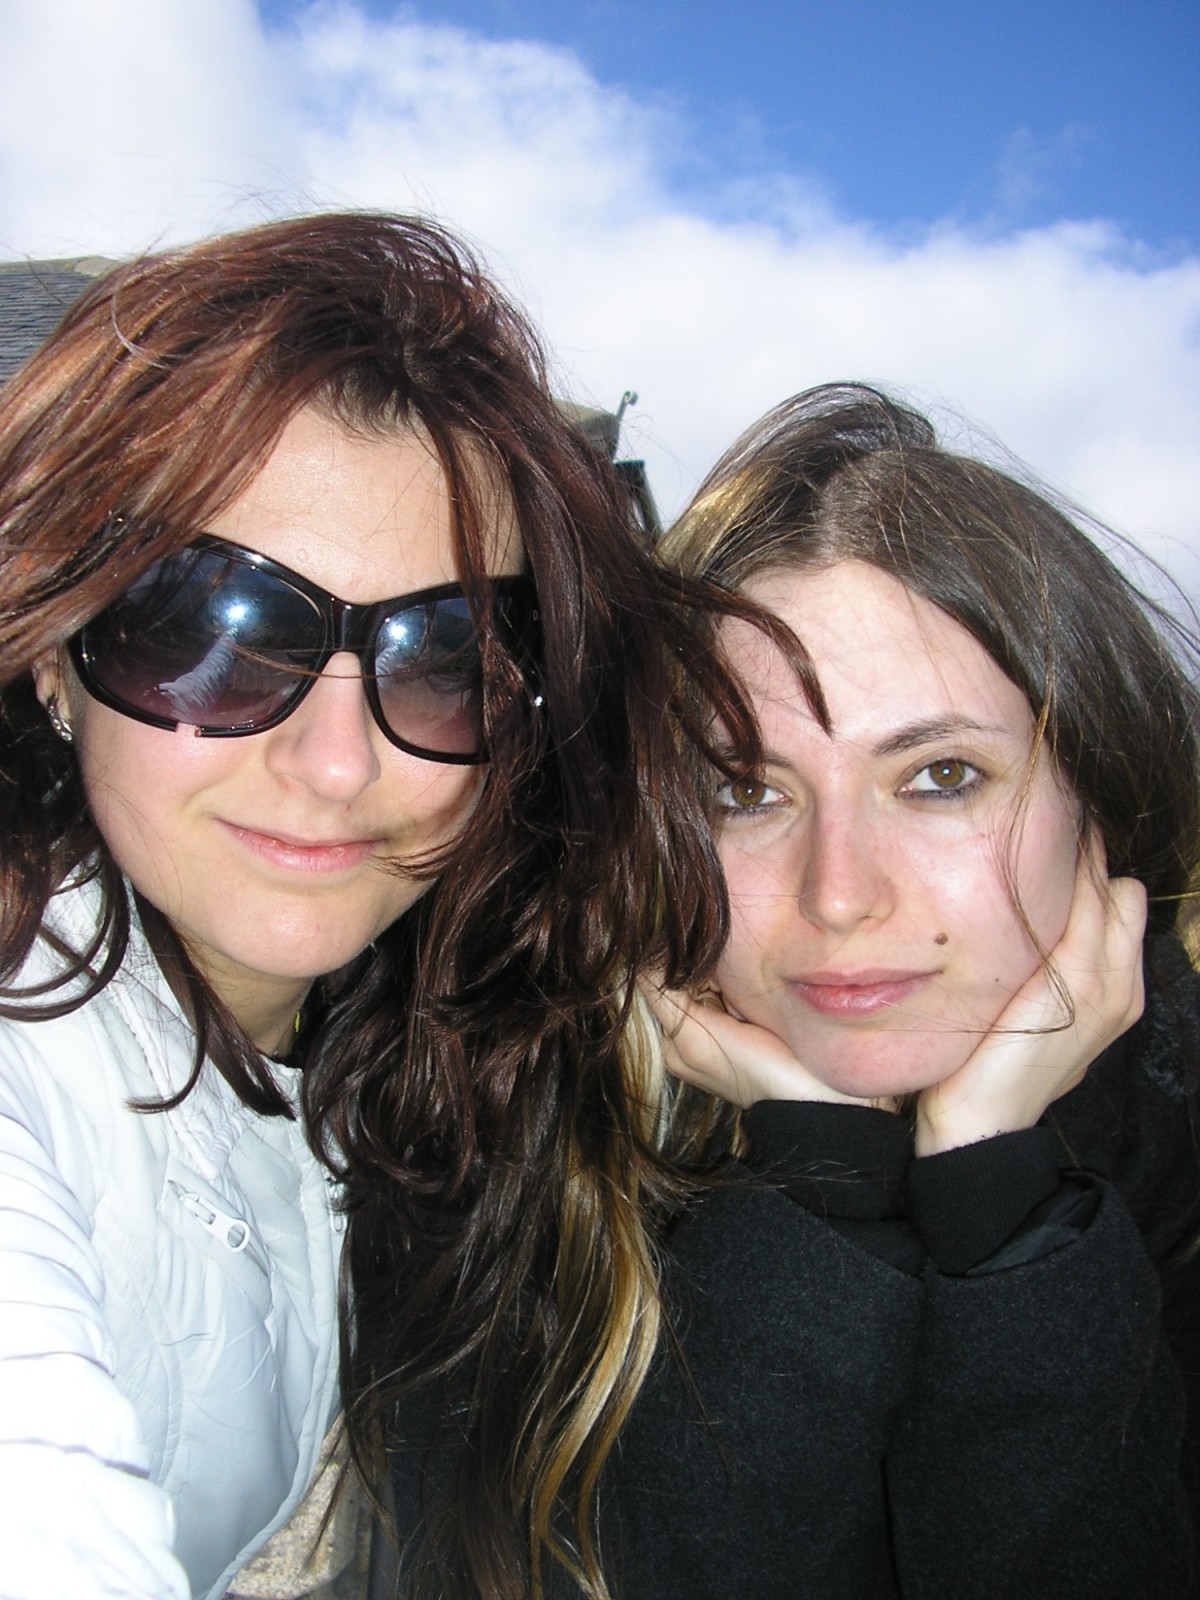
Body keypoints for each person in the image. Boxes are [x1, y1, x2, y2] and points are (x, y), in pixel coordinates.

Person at [0, 212, 744, 1600]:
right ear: (53, 652)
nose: (339, 764)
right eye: (212, 627)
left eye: (444, 657)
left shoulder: (434, 1052)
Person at [384, 384, 1200, 1599]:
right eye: (746, 791)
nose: (839, 893)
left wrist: (1010, 1223)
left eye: (940, 776)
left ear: (1102, 797)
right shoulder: (501, 1167)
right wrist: (816, 1189)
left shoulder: (1174, 1157)